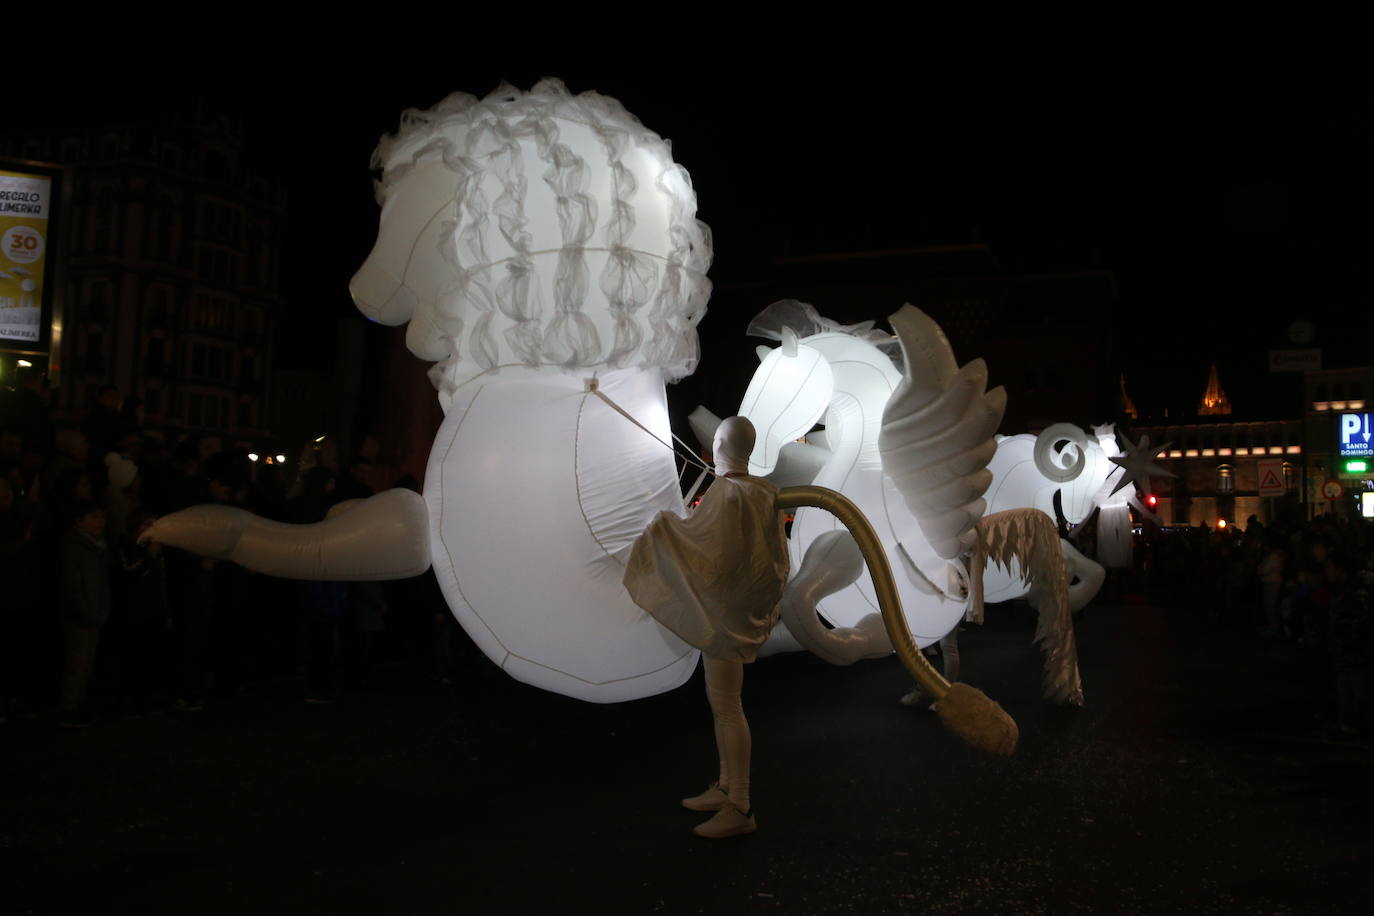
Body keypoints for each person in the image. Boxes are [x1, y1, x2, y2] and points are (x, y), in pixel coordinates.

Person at [623, 417, 788, 839]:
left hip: (726, 618)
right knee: (722, 702)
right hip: (736, 611)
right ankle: (726, 787)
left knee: (728, 706)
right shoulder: (764, 492)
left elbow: (701, 542)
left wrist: (662, 528)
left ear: (719, 445)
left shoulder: (729, 493)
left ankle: (740, 806)